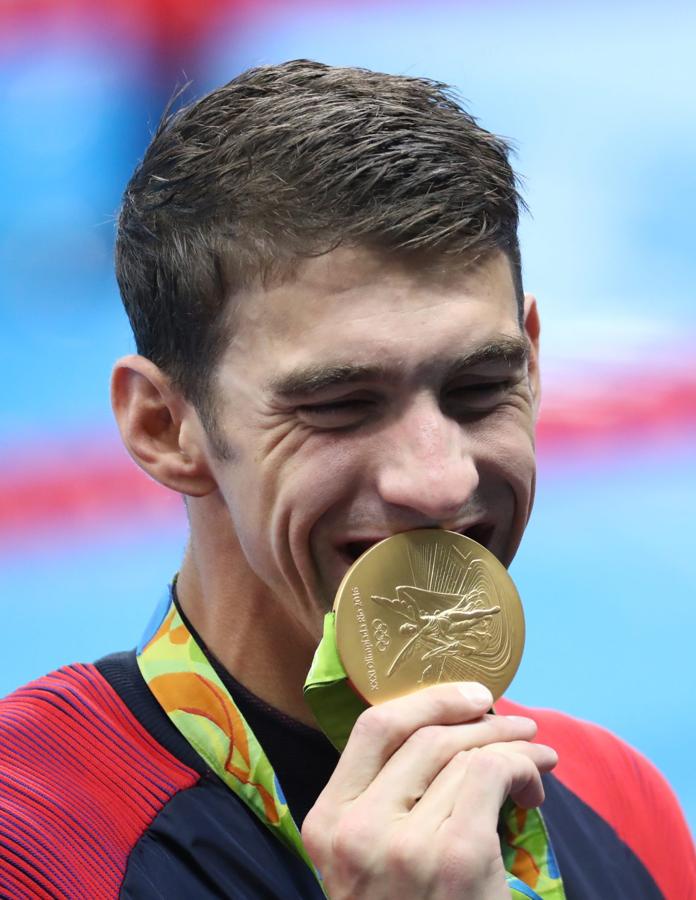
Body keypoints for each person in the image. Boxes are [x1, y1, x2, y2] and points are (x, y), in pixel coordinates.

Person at [0, 59, 693, 899]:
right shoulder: (36, 842)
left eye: (479, 390)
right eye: (340, 406)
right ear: (163, 426)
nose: (438, 484)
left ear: (535, 365)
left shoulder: (621, 803)